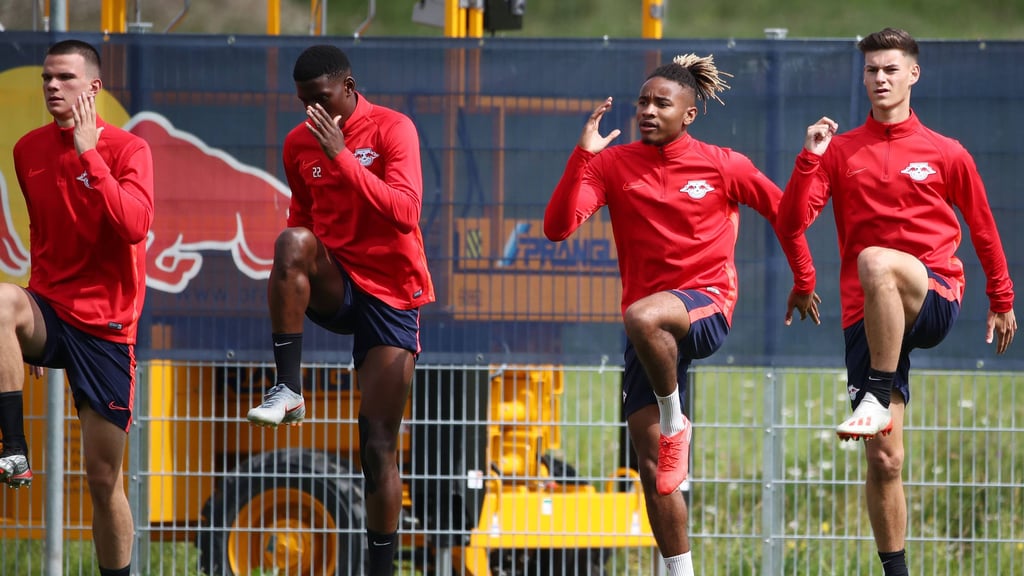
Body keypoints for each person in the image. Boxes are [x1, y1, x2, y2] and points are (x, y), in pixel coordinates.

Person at [543, 54, 820, 575]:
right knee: (656, 473)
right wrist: (582, 156)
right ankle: (680, 571)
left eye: (661, 103)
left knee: (643, 316)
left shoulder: (723, 164)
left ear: (689, 114)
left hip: (706, 305)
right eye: (642, 102)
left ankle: (676, 420)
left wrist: (804, 281)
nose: (647, 111)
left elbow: (788, 216)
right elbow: (557, 228)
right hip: (648, 334)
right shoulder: (612, 164)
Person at [778, 28, 1016, 576]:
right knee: (885, 459)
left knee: (877, 260)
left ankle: (875, 396)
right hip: (867, 313)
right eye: (871, 70)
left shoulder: (945, 152)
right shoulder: (838, 151)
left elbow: (982, 229)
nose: (880, 79)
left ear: (913, 75)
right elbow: (791, 223)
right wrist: (809, 160)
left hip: (930, 293)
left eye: (890, 69)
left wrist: (1001, 297)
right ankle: (896, 572)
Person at [245, 44, 434, 575]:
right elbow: (300, 218)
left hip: (392, 292)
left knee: (376, 447)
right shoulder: (297, 143)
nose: (315, 113)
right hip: (338, 283)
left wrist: (341, 157)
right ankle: (287, 389)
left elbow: (405, 212)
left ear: (349, 87)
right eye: (305, 102)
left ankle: (381, 568)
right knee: (290, 243)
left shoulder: (394, 129)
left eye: (323, 99)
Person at [0, 40, 154, 576]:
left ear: (92, 87)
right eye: (45, 78)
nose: (51, 87)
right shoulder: (27, 149)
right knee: (0, 302)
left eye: (64, 78)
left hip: (108, 328)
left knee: (102, 478)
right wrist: (30, 315)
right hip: (53, 309)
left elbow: (134, 226)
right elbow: (42, 237)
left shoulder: (130, 150)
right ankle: (13, 448)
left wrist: (90, 153)